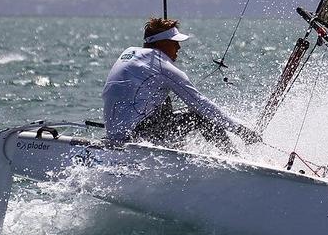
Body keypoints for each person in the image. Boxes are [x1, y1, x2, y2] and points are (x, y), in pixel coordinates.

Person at [102, 17, 262, 151]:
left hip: (115, 135)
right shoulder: (162, 67)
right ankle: (234, 158)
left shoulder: (129, 53)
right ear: (161, 43)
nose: (178, 47)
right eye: (174, 42)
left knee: (164, 102)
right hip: (134, 139)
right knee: (199, 116)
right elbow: (200, 104)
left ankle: (175, 147)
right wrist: (240, 130)